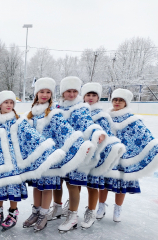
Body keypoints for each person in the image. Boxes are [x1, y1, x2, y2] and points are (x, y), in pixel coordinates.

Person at [0, 90, 62, 232]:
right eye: (6, 102)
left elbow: (32, 136)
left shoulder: (19, 122)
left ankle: (13, 213)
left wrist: (46, 145)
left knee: (13, 188)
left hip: (13, 164)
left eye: (11, 102)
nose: (9, 105)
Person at [24, 78, 93, 232]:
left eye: (48, 92)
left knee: (47, 187)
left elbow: (67, 131)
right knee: (37, 187)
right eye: (42, 91)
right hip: (36, 158)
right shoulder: (31, 113)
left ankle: (43, 215)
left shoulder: (54, 112)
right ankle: (35, 212)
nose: (44, 94)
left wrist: (82, 145)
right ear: (36, 93)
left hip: (51, 157)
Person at [51, 76, 107, 232]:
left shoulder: (81, 108)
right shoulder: (57, 108)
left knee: (73, 184)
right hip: (60, 151)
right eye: (68, 91)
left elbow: (89, 124)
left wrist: (98, 133)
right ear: (63, 92)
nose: (71, 94)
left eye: (75, 91)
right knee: (58, 181)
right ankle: (57, 208)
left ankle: (73, 215)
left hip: (77, 151)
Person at [98, 88, 158, 222]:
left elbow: (145, 135)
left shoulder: (133, 120)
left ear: (126, 103)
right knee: (104, 183)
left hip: (125, 157)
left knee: (121, 184)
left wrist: (154, 146)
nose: (117, 102)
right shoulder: (106, 117)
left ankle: (117, 209)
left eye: (121, 100)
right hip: (108, 156)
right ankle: (101, 206)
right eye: (115, 100)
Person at [80, 83, 126, 228]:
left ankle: (92, 211)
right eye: (88, 95)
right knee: (76, 185)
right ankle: (73, 210)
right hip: (80, 155)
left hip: (95, 157)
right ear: (83, 96)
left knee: (92, 186)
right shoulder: (79, 112)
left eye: (94, 95)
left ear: (99, 97)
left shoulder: (102, 115)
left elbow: (108, 135)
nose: (91, 98)